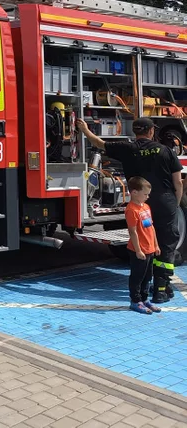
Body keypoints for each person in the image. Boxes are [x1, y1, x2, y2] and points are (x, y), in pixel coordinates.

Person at [79, 117, 183, 303]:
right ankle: (161, 288)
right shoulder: (166, 151)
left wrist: (85, 130)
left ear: (136, 132)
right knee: (166, 244)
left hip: (141, 205)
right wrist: (174, 204)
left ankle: (145, 285)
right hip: (165, 202)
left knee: (145, 244)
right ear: (151, 131)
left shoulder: (127, 148)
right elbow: (177, 183)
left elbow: (99, 143)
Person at [125, 177, 162, 314]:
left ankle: (145, 299)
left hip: (150, 248)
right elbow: (133, 232)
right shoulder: (132, 210)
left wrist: (156, 245)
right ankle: (135, 301)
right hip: (139, 250)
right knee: (137, 276)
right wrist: (138, 250)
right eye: (145, 194)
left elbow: (150, 228)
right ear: (134, 193)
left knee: (148, 276)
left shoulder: (146, 207)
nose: (148, 196)